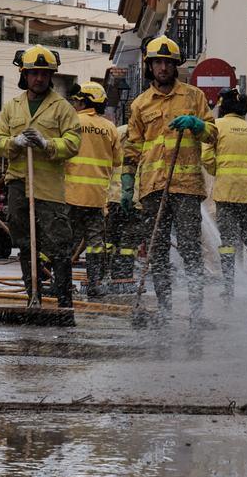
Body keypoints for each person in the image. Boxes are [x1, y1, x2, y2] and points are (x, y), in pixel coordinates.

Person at [121, 35, 215, 324]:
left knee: (190, 249)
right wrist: (127, 185)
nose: (163, 67)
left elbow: (212, 133)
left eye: (168, 63)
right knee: (157, 253)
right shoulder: (139, 105)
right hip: (152, 189)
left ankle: (197, 312)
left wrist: (198, 125)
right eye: (158, 62)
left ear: (176, 66)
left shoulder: (193, 97)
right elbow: (132, 148)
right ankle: (164, 309)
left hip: (186, 188)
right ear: (149, 66)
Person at [0, 45, 83, 308]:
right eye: (34, 73)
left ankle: (64, 301)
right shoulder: (12, 106)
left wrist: (47, 144)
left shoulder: (62, 108)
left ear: (51, 75)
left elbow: (74, 143)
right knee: (25, 243)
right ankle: (33, 296)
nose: (40, 78)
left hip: (49, 188)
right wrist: (15, 142)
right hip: (19, 184)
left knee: (59, 245)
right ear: (25, 74)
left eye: (44, 73)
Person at [202, 88, 247, 302]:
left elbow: (206, 158)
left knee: (228, 243)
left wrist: (218, 172)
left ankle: (229, 288)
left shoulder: (217, 127)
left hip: (226, 193)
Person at [66, 81, 121, 297]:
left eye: (78, 101)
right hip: (97, 199)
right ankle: (95, 284)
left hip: (71, 194)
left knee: (67, 241)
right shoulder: (110, 128)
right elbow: (117, 161)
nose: (76, 104)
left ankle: (62, 283)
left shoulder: (72, 122)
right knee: (95, 243)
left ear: (83, 101)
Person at [106, 123, 139, 293]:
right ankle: (124, 277)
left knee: (110, 239)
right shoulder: (149, 133)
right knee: (128, 241)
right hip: (136, 197)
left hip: (114, 195)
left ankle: (103, 275)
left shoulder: (117, 132)